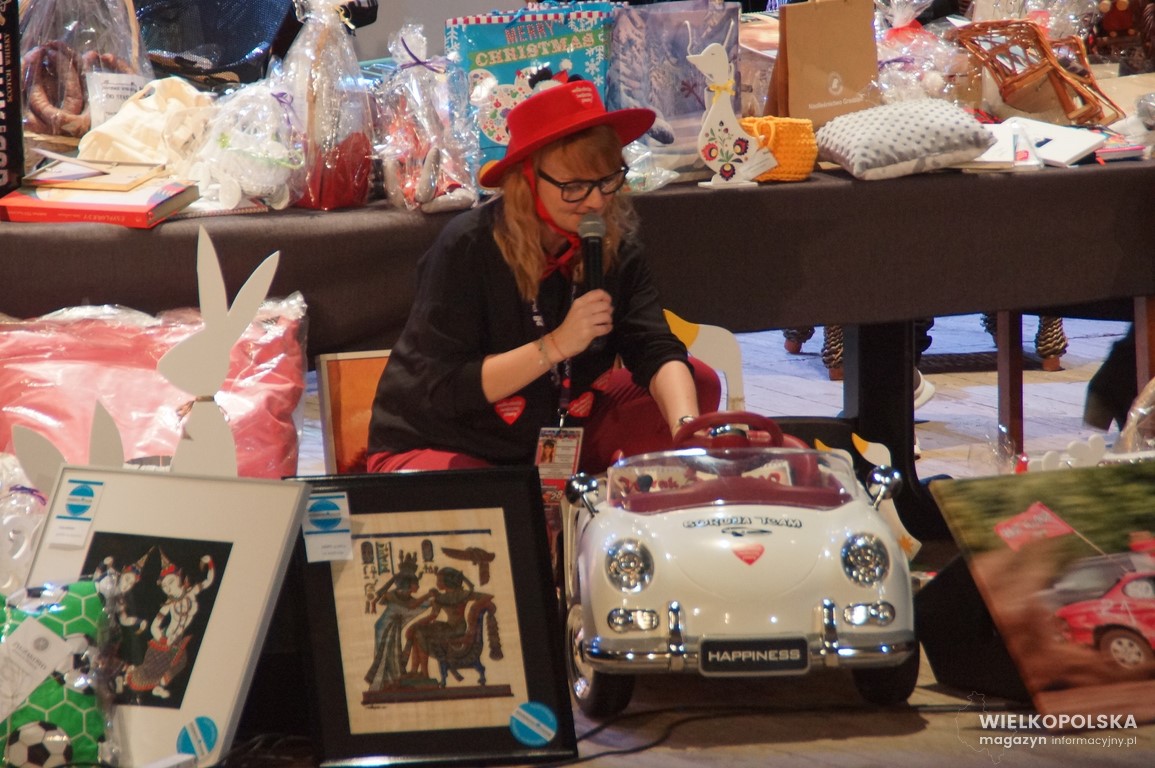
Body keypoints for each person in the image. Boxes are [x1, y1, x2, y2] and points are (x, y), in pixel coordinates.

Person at [367, 76, 720, 475]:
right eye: (574, 186)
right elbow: (444, 388)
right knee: (488, 501)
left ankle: (562, 485)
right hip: (451, 436)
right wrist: (555, 345)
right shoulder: (468, 245)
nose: (596, 201)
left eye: (607, 180)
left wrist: (686, 427)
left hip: (557, 429)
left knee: (696, 385)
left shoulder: (614, 239)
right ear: (527, 180)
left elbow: (652, 345)